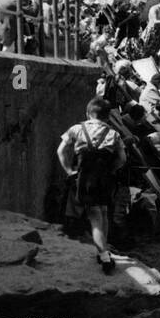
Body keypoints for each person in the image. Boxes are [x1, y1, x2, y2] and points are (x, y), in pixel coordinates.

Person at [56, 97, 127, 274]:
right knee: (104, 213)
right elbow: (122, 159)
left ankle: (104, 256)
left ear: (88, 113)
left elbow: (61, 150)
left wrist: (69, 171)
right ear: (108, 116)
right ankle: (104, 250)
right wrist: (111, 169)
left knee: (94, 217)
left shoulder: (77, 129)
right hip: (105, 179)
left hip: (85, 178)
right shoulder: (114, 133)